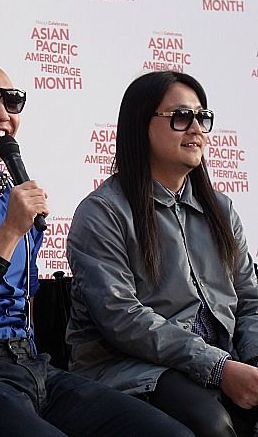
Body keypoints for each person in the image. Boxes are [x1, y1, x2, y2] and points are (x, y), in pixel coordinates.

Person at [0, 56, 193, 436]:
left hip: (33, 366)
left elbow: (22, 308)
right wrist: (9, 232)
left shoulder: (14, 201)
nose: (1, 113)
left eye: (12, 102)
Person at [66, 70, 258, 436]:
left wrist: (253, 361)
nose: (197, 129)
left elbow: (250, 301)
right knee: (211, 424)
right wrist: (219, 367)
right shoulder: (103, 212)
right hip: (132, 369)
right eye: (181, 117)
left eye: (202, 118)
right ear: (141, 125)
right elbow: (122, 318)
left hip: (222, 360)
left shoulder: (221, 209)